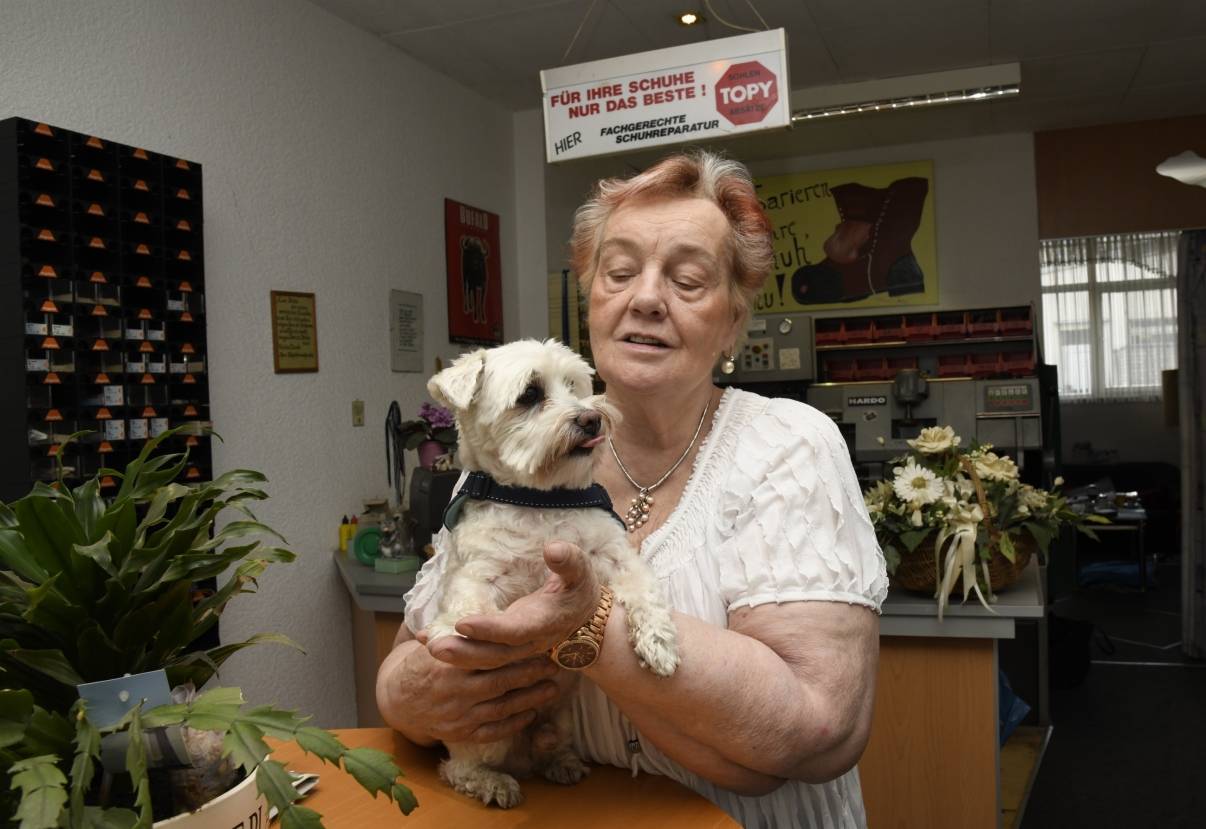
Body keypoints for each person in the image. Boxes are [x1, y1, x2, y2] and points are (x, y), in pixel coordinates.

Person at [376, 150, 888, 828]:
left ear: (733, 321)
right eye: (619, 271)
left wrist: (588, 624)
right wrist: (418, 697)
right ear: (590, 296)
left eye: (687, 278)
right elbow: (402, 671)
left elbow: (819, 728)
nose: (645, 297)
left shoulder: (788, 446)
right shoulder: (510, 466)